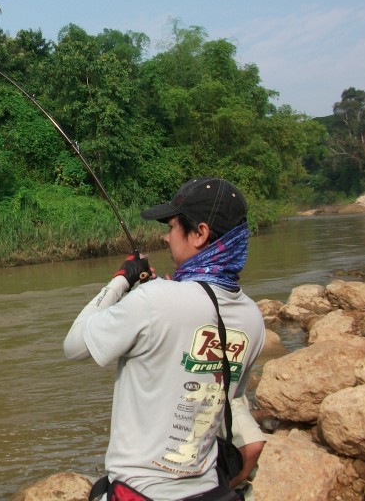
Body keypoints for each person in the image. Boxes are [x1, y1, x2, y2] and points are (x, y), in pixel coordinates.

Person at [63, 177, 266, 501]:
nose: (165, 235)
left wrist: (122, 280)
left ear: (199, 233)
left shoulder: (154, 300)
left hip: (139, 492)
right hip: (209, 491)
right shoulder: (253, 318)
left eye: (172, 226)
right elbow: (228, 396)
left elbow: (73, 345)